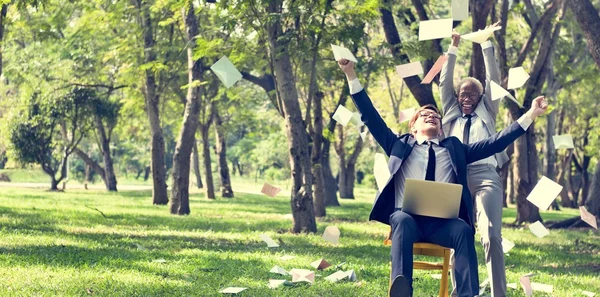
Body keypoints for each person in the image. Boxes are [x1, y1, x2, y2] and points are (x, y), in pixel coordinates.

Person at [337, 58, 548, 297]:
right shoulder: (398, 144)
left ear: (441, 128)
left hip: (442, 225)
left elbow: (496, 142)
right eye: (424, 114)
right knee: (402, 220)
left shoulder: (455, 149)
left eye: (436, 116)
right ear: (413, 126)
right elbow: (370, 117)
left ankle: (468, 294)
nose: (432, 116)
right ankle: (402, 288)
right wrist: (350, 74)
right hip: (409, 220)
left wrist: (531, 114)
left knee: (462, 229)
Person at [440, 23, 508, 297]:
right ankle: (461, 292)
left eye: (472, 95)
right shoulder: (450, 113)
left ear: (481, 98)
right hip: (455, 178)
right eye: (463, 94)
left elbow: (494, 81)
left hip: (485, 176)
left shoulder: (487, 112)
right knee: (459, 236)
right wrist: (454, 45)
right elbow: (445, 81)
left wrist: (486, 44)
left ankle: (498, 294)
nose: (466, 98)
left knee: (491, 235)